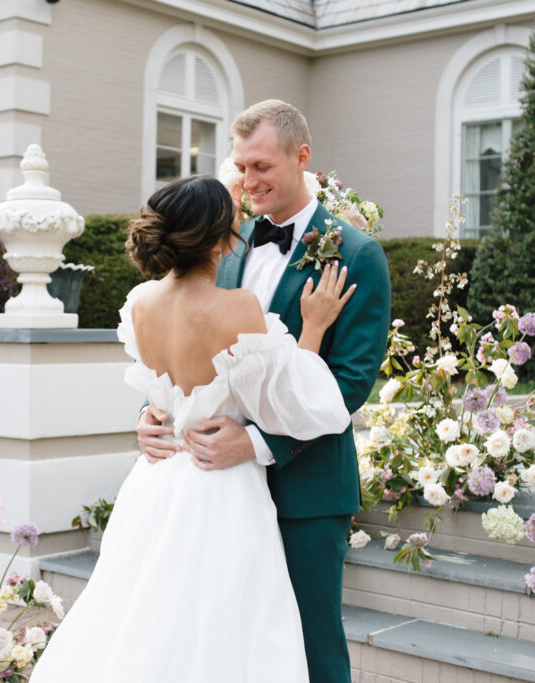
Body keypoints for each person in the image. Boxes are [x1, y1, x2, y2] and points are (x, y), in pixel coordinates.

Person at [29, 174, 356, 682]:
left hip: (156, 484)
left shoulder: (139, 303)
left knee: (142, 620)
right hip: (220, 487)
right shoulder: (237, 307)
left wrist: (147, 415)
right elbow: (293, 405)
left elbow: (164, 392)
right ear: (221, 238)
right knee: (225, 632)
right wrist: (313, 327)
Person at [138, 100, 392, 683]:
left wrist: (253, 444)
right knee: (229, 646)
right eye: (240, 167)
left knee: (310, 643)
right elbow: (195, 345)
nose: (247, 182)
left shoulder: (356, 255)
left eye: (261, 167)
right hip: (214, 493)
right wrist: (154, 412)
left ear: (302, 157)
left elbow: (350, 384)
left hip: (305, 493)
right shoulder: (222, 241)